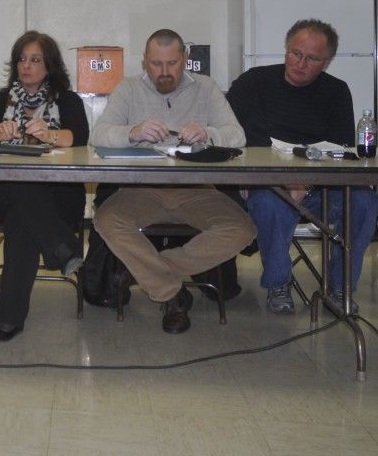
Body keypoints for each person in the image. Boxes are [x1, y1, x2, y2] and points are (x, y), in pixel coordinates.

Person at [91, 29, 256, 334]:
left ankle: (154, 272)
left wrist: (209, 133)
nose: (164, 72)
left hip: (196, 190)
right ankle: (172, 292)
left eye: (172, 64)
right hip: (141, 189)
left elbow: (238, 136)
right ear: (145, 62)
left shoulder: (206, 88)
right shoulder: (128, 89)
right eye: (156, 64)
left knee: (243, 229)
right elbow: (97, 135)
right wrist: (132, 132)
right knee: (106, 219)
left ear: (185, 59)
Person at [227, 18, 378, 314]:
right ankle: (278, 284)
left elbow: (342, 150)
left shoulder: (336, 91)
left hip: (319, 188)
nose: (300, 63)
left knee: (363, 201)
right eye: (295, 53)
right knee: (272, 204)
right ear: (286, 49)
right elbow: (228, 134)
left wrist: (304, 183)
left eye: (311, 59)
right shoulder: (253, 82)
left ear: (327, 61)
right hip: (266, 186)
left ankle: (340, 287)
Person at [0, 30, 89, 341]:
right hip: (2, 193)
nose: (26, 66)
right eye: (21, 59)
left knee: (21, 217)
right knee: (21, 188)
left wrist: (49, 135)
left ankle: (7, 319)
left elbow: (79, 137)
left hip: (58, 195)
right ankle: (63, 249)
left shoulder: (68, 101)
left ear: (50, 65)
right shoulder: (0, 100)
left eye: (35, 60)